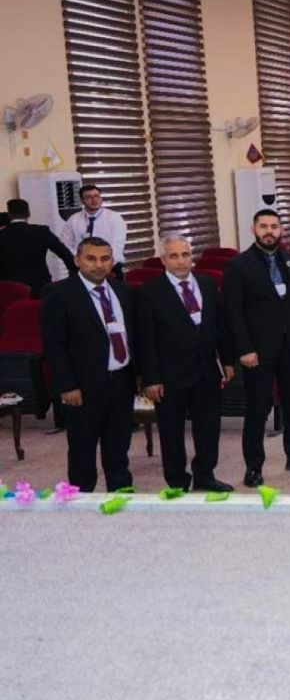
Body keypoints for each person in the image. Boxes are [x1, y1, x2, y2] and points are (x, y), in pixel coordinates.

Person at [223, 209, 290, 487]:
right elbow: (233, 313)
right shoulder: (238, 266)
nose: (269, 231)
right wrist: (244, 349)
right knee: (258, 410)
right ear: (253, 229)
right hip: (257, 351)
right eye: (264, 226)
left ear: (281, 230)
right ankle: (254, 467)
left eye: (274, 226)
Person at [136, 235, 235, 493]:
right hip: (169, 375)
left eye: (185, 255)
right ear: (163, 260)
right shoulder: (149, 292)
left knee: (208, 426)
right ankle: (177, 480)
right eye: (174, 256)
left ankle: (205, 474)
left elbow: (220, 326)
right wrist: (151, 378)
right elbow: (146, 340)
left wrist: (227, 360)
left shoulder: (207, 284)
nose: (181, 261)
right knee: (171, 431)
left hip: (206, 371)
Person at [42, 238, 135, 493]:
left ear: (112, 261)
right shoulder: (59, 294)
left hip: (121, 381)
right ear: (77, 260)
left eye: (105, 259)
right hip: (83, 387)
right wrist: (67, 385)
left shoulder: (123, 291)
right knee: (82, 450)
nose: (99, 265)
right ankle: (80, 500)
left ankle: (121, 493)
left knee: (118, 447)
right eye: (91, 259)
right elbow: (54, 345)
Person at [0, 197, 75, 296]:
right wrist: (75, 273)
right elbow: (64, 254)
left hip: (11, 287)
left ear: (9, 215)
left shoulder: (2, 235)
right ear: (28, 213)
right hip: (40, 285)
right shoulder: (42, 232)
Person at [59, 183, 128, 271]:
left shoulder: (114, 218)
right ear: (82, 201)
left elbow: (117, 246)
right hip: (81, 267)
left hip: (109, 266)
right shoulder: (74, 219)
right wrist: (81, 260)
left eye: (96, 196)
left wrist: (100, 263)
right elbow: (65, 243)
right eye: (89, 197)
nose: (94, 200)